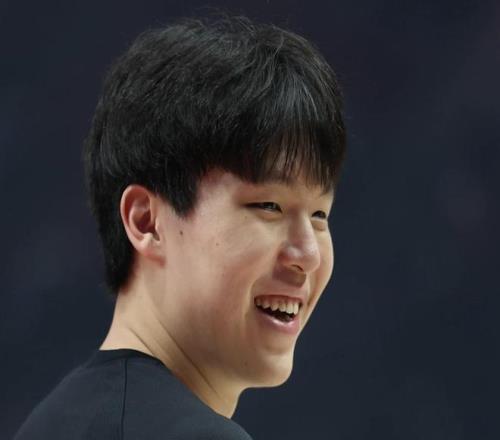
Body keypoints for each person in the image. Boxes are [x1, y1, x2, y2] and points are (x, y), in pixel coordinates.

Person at [14, 14, 346, 440]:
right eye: (269, 206)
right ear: (146, 221)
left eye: (320, 215)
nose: (309, 255)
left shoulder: (52, 422)